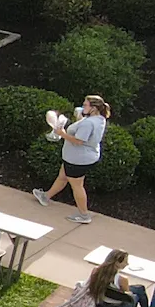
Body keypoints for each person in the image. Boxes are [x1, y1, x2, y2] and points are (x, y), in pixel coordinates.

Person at [34, 94, 111, 225]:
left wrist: (62, 134)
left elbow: (79, 141)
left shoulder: (88, 123)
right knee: (63, 176)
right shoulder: (99, 118)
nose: (83, 106)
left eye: (85, 105)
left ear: (93, 108)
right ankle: (46, 196)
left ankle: (84, 214)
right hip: (82, 157)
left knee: (77, 186)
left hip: (78, 160)